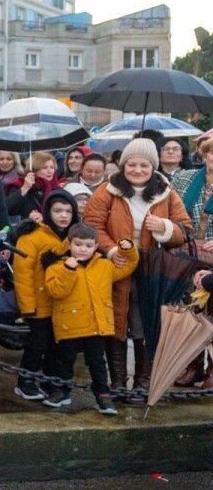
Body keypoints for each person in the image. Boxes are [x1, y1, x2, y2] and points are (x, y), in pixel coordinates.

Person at [85, 137, 193, 402]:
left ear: (152, 166)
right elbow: (93, 225)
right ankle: (118, 381)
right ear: (123, 165)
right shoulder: (107, 191)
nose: (137, 170)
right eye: (132, 164)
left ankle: (143, 381)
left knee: (144, 322)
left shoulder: (166, 192)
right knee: (116, 322)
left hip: (151, 269)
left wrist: (166, 228)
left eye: (144, 165)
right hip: (117, 266)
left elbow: (185, 229)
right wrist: (110, 250)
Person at [44, 227, 138, 414]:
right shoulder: (57, 267)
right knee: (65, 360)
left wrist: (128, 250)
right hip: (69, 324)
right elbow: (55, 291)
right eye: (77, 244)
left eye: (88, 245)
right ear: (69, 244)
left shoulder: (105, 266)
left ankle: (103, 395)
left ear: (96, 246)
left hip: (96, 327)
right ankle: (62, 391)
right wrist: (68, 270)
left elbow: (128, 265)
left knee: (96, 362)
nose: (82, 249)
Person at [10, 190, 79, 402]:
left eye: (68, 211)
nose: (63, 215)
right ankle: (26, 381)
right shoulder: (33, 236)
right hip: (39, 303)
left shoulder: (75, 237)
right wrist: (27, 306)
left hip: (63, 303)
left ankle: (51, 381)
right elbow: (23, 274)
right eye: (58, 210)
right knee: (36, 345)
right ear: (48, 211)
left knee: (56, 347)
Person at [6, 151, 61, 225]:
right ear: (34, 170)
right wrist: (25, 188)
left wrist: (44, 218)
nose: (49, 171)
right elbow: (7, 209)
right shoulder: (20, 184)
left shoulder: (57, 189)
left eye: (52, 167)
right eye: (44, 168)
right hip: (25, 231)